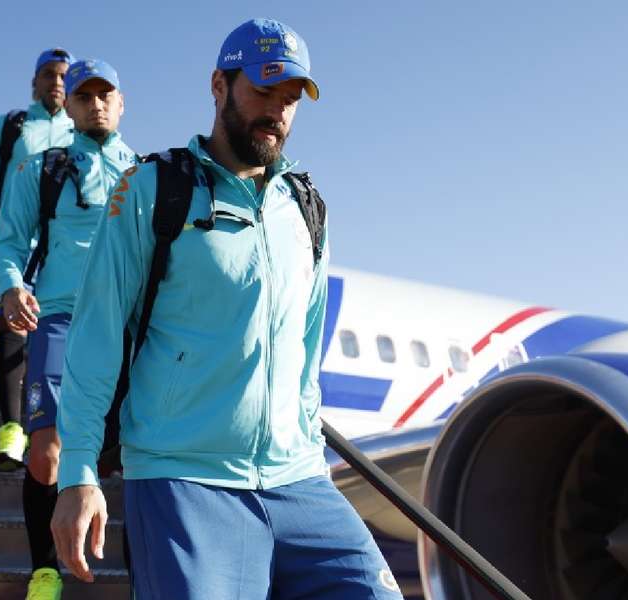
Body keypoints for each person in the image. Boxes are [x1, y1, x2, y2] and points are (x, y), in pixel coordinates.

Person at [50, 19, 405, 600]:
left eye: (290, 98)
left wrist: (307, 439)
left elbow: (305, 347)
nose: (278, 111)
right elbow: (97, 335)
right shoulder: (151, 187)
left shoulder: (306, 209)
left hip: (300, 480)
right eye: (264, 91)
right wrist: (79, 473)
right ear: (220, 85)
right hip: (185, 478)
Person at [0, 58, 136, 600]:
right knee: (46, 451)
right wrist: (11, 286)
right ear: (68, 106)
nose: (95, 103)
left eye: (106, 94)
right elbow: (9, 242)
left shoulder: (146, 174)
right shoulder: (41, 169)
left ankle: (142, 568)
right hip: (57, 319)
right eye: (83, 95)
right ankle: (45, 569)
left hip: (125, 326)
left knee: (131, 455)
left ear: (121, 104)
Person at [0, 48, 74, 471]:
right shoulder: (10, 127)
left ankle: (51, 433)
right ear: (34, 82)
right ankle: (12, 428)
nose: (57, 82)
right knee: (11, 334)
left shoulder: (78, 131)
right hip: (12, 249)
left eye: (64, 76)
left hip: (58, 260)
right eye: (48, 74)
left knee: (53, 343)